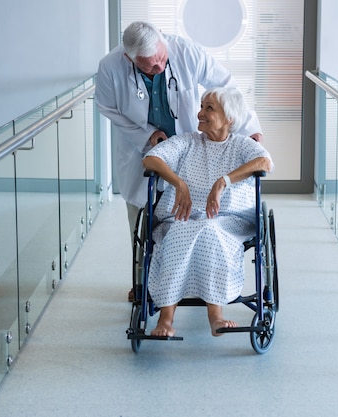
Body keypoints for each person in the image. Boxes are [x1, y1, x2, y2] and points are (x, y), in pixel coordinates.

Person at [94, 21, 263, 241]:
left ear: (163, 40)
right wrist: (145, 134)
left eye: (162, 59)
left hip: (188, 152)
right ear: (130, 59)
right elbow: (106, 106)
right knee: (143, 227)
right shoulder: (110, 67)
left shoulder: (186, 51)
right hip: (142, 153)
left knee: (190, 220)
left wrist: (249, 128)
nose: (160, 68)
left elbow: (226, 86)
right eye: (151, 67)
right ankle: (148, 273)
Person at [142, 87, 273, 337]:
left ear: (229, 118)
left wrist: (223, 181)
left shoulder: (241, 146)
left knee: (210, 230)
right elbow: (151, 159)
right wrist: (178, 183)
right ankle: (165, 319)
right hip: (183, 217)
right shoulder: (188, 142)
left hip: (227, 221)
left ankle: (216, 316)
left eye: (209, 108)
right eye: (201, 106)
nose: (200, 113)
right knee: (180, 230)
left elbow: (264, 162)